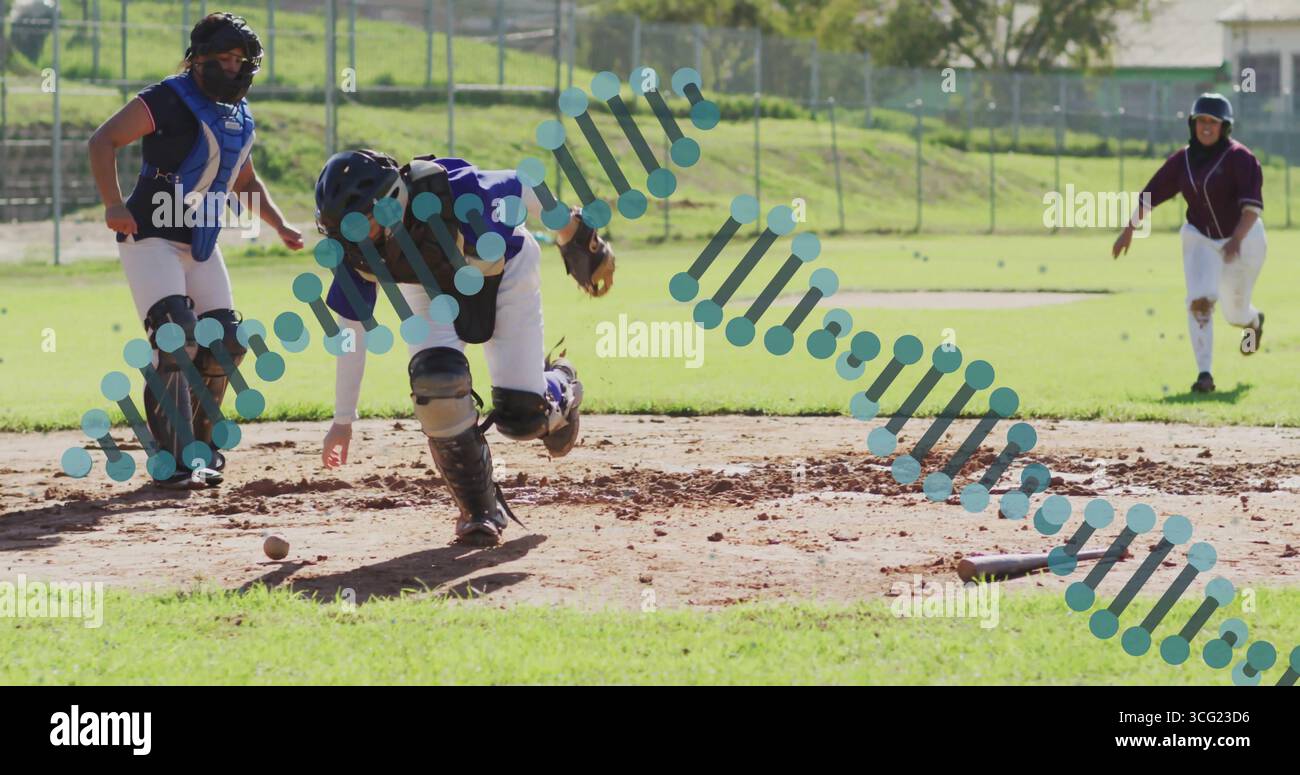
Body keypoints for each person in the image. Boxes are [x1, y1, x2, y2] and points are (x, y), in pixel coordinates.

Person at [314, 149, 616, 546]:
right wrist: (342, 421)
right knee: (436, 386)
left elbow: (523, 186)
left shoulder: (451, 194)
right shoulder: (355, 250)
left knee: (523, 417)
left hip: (503, 271)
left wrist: (567, 230)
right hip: (426, 289)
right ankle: (479, 511)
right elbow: (351, 330)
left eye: (359, 225)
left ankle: (562, 386)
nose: (351, 238)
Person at [87, 12, 303, 487]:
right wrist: (112, 203)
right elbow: (103, 141)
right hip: (150, 235)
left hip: (199, 241)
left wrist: (281, 225)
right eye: (222, 57)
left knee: (225, 342)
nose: (231, 66)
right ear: (198, 59)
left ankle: (201, 449)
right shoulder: (166, 98)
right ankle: (174, 461)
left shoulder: (238, 116)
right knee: (174, 337)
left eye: (239, 59)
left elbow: (244, 181)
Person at [1112, 93, 1266, 393]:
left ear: (1225, 127)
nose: (1206, 127)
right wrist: (1129, 228)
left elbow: (1251, 210)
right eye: (1201, 121)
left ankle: (1253, 322)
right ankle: (1204, 375)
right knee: (1200, 301)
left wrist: (1235, 240)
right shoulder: (1182, 160)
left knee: (1235, 313)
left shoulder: (1240, 158)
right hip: (1200, 237)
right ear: (1192, 124)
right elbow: (1151, 193)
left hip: (1245, 239)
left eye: (1213, 122)